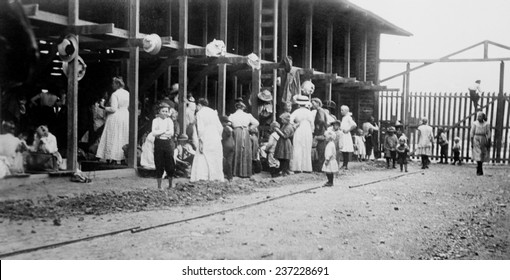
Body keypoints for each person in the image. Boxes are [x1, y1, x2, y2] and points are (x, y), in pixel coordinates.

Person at [96, 76, 130, 164]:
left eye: (113, 83)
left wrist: (104, 107)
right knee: (123, 135)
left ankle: (112, 156)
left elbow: (113, 109)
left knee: (113, 136)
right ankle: (122, 156)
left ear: (117, 84)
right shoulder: (127, 93)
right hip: (125, 115)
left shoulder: (115, 94)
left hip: (116, 116)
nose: (112, 85)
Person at [191, 98, 224, 182]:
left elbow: (200, 129)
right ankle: (216, 176)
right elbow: (220, 127)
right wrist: (219, 137)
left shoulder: (200, 113)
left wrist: (201, 141)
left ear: (199, 105)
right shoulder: (213, 112)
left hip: (206, 134)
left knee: (202, 155)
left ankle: (202, 176)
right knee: (215, 156)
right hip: (215, 134)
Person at [229, 101, 259, 178]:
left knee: (236, 150)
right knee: (245, 151)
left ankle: (236, 172)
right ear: (243, 108)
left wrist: (232, 129)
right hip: (245, 132)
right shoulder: (247, 115)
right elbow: (256, 123)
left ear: (236, 107)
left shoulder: (232, 115)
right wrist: (249, 128)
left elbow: (228, 124)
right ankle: (245, 172)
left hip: (236, 132)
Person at [151, 103, 175, 189]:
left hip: (167, 143)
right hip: (158, 142)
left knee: (170, 163)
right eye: (163, 111)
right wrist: (164, 130)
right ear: (159, 111)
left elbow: (171, 133)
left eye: (166, 111)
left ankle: (170, 184)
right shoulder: (155, 121)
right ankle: (159, 186)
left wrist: (160, 131)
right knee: (159, 162)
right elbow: (154, 133)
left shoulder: (170, 121)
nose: (164, 113)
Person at [290, 95, 313, 172]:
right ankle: (306, 168)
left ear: (298, 104)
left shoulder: (296, 112)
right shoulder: (309, 112)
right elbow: (312, 124)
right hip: (307, 129)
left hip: (299, 129)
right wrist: (312, 131)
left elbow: (290, 121)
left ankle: (297, 168)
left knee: (298, 147)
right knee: (307, 147)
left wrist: (294, 125)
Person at [311, 98, 328, 172]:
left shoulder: (320, 111)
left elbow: (321, 120)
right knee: (320, 149)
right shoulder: (321, 110)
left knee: (320, 149)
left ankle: (320, 168)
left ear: (318, 103)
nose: (312, 105)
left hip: (321, 131)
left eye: (313, 103)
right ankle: (319, 167)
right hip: (322, 130)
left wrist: (318, 127)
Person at [338, 105, 357, 170]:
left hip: (346, 135)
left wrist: (348, 130)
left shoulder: (348, 117)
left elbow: (354, 125)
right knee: (343, 150)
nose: (341, 111)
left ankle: (345, 165)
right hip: (343, 134)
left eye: (342, 110)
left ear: (346, 111)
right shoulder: (344, 118)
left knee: (345, 150)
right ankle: (344, 164)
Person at [220, 116, 235, 182]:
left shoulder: (223, 129)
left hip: (225, 146)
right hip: (232, 146)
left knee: (223, 161)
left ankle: (223, 174)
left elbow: (222, 139)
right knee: (229, 162)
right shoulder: (230, 129)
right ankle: (230, 176)